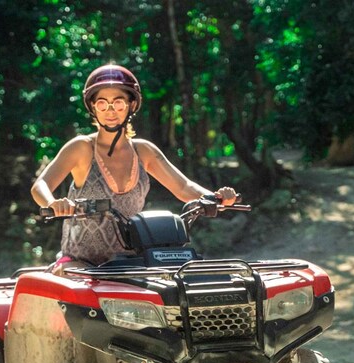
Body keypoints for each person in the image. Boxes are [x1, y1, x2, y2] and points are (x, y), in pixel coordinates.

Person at [30, 63, 238, 271]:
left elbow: (183, 187)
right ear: (93, 107)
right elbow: (40, 185)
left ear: (131, 105)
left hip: (130, 264)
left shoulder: (144, 151)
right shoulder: (82, 148)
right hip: (80, 264)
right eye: (102, 104)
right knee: (74, 289)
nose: (110, 111)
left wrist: (214, 197)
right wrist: (53, 203)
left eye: (118, 104)